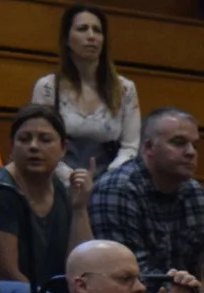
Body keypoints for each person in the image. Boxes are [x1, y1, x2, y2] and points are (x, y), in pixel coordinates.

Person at [86, 108, 204, 292]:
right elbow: (127, 275)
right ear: (148, 147)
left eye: (195, 145)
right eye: (179, 143)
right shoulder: (117, 189)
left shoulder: (195, 192)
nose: (191, 152)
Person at [0, 106, 94, 293]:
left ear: (63, 148)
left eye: (45, 139)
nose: (33, 146)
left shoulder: (62, 189)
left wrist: (79, 208)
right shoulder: (2, 191)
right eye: (24, 139)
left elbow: (82, 267)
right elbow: (7, 274)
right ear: (11, 148)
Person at [32, 8, 139, 178]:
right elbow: (41, 141)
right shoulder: (48, 87)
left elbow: (130, 147)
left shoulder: (125, 88)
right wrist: (71, 177)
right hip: (57, 176)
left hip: (111, 178)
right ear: (67, 39)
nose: (92, 36)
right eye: (82, 29)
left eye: (97, 30)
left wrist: (108, 180)